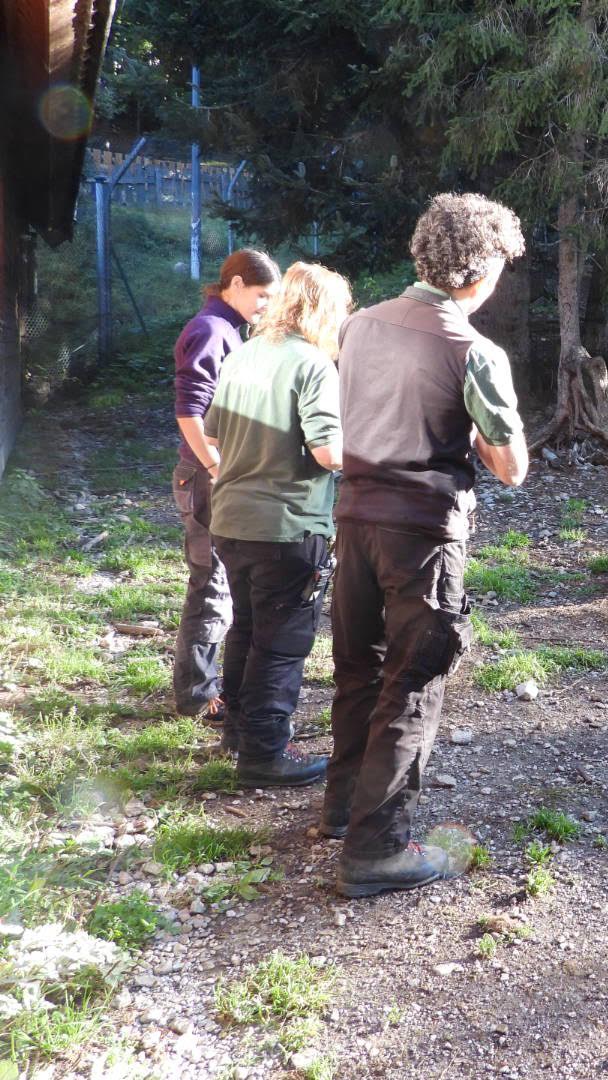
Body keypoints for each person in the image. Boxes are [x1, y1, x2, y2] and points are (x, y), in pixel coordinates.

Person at [326, 193, 528, 898]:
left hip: (351, 521)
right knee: (411, 683)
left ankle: (341, 811)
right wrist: (466, 429)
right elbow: (512, 467)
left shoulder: (356, 326)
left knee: (358, 669)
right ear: (482, 271)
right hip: (425, 535)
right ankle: (376, 850)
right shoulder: (474, 350)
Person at [205, 262, 351, 787]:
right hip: (288, 526)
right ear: (322, 312)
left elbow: (214, 434)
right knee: (282, 642)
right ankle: (265, 756)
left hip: (230, 519)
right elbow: (330, 451)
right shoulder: (313, 365)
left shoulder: (242, 354)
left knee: (246, 626)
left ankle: (239, 732)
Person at [171, 249, 280, 738]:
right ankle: (197, 695)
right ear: (234, 284)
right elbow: (189, 412)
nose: (265, 306)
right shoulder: (211, 331)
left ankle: (205, 686)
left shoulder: (229, 329)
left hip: (217, 476)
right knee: (211, 586)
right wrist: (215, 468)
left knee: (220, 585)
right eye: (262, 296)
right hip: (205, 477)